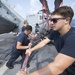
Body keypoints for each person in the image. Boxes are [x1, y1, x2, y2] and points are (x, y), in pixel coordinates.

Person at [16, 6, 75, 75]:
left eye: (54, 20)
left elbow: (57, 67)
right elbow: (44, 42)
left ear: (67, 20)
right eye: (51, 20)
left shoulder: (73, 37)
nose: (51, 23)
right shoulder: (55, 32)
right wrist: (31, 50)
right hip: (65, 67)